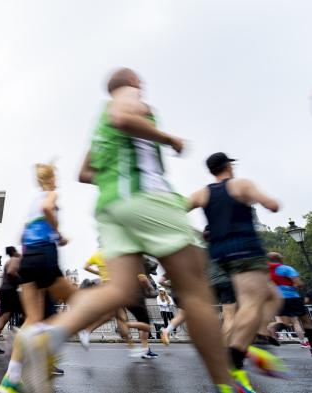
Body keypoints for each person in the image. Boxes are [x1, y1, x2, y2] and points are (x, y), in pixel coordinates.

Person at [15, 68, 235, 393]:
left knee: (118, 290)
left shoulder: (98, 129)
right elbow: (122, 116)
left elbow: (83, 172)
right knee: (196, 293)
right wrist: (169, 138)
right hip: (147, 196)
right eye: (139, 83)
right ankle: (228, 384)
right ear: (132, 82)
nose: (141, 88)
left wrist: (112, 176)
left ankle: (48, 337)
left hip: (111, 208)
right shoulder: (126, 98)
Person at [189, 152, 286, 389]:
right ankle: (236, 354)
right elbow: (272, 205)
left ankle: (250, 340)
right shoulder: (240, 184)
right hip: (245, 249)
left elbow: (177, 209)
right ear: (229, 166)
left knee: (274, 296)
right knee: (252, 302)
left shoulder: (203, 192)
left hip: (220, 253)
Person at [0, 163, 78, 393]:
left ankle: (11, 379)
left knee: (32, 319)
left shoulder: (32, 202)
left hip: (28, 259)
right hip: (45, 254)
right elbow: (47, 207)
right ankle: (48, 347)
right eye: (55, 178)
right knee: (80, 301)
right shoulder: (49, 195)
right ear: (50, 179)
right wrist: (58, 234)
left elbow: (23, 234)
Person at [268, 252, 312, 355]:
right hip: (292, 298)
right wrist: (298, 285)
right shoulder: (286, 268)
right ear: (280, 259)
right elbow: (299, 283)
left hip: (278, 299)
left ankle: (272, 328)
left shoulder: (267, 271)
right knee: (306, 322)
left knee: (285, 323)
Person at [0, 246, 22, 354]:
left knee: (5, 316)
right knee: (26, 313)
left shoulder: (8, 261)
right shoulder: (15, 260)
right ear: (14, 252)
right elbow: (12, 271)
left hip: (4, 290)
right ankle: (14, 336)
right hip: (10, 291)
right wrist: (22, 280)